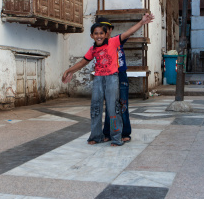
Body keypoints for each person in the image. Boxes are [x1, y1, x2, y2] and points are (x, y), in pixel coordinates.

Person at [62, 13, 154, 146]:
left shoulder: (114, 42)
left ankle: (117, 137)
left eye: (101, 33)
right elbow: (83, 62)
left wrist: (142, 22)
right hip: (98, 79)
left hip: (112, 78)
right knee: (95, 108)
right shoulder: (93, 49)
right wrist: (69, 70)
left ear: (106, 34)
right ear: (92, 36)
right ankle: (96, 136)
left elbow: (128, 32)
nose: (99, 36)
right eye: (96, 33)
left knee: (113, 108)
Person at [95, 17, 132, 143]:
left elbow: (129, 32)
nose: (104, 32)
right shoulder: (98, 44)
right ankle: (109, 133)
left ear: (110, 30)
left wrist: (142, 21)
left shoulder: (117, 40)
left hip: (120, 76)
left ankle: (125, 132)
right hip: (107, 77)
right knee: (110, 107)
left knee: (122, 105)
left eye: (107, 29)